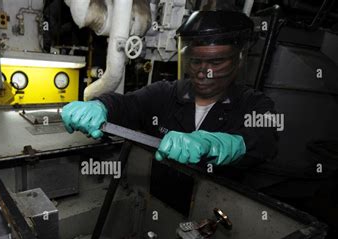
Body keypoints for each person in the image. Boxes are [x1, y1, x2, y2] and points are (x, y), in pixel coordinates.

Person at [61, 10, 279, 186]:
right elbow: (128, 105)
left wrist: (218, 144)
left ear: (238, 60)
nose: (203, 71)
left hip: (215, 206)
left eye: (216, 62)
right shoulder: (165, 93)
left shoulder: (255, 104)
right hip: (160, 200)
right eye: (196, 62)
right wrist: (100, 106)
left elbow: (264, 142)